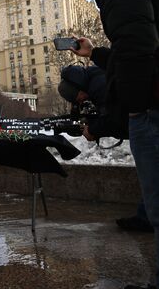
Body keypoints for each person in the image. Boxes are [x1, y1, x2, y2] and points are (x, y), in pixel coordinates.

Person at [72, 0, 159, 289]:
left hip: (151, 113)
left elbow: (138, 59)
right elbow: (136, 52)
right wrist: (95, 54)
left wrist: (109, 121)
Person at [58, 65, 152, 233]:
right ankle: (146, 216)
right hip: (147, 122)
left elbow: (114, 118)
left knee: (151, 173)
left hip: (147, 124)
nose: (80, 101)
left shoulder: (98, 85)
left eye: (77, 97)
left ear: (77, 88)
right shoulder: (96, 77)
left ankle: (147, 219)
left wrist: (93, 130)